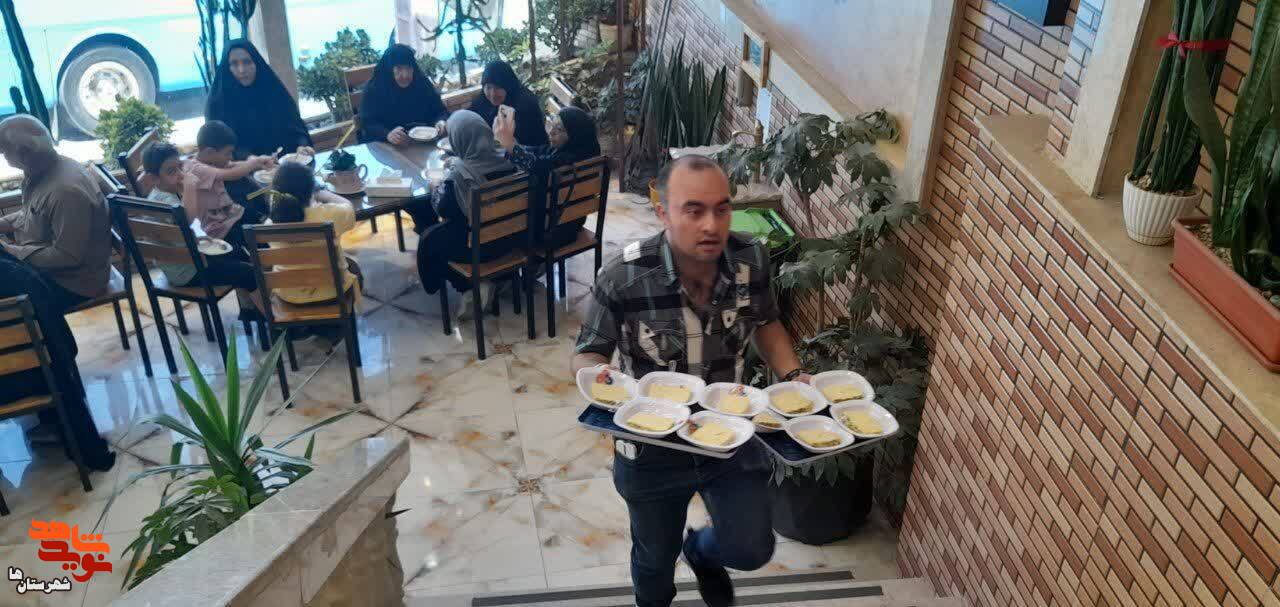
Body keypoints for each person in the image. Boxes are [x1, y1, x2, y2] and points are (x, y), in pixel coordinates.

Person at [571, 155, 814, 607]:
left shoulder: (751, 258)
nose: (711, 225)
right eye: (694, 210)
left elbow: (767, 322)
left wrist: (794, 375)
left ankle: (701, 552)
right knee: (653, 561)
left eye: (722, 209)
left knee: (751, 548)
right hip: (651, 449)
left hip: (730, 437)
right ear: (663, 212)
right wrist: (597, 375)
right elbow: (589, 351)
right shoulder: (623, 276)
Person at [0, 250, 115, 472]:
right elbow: (65, 346)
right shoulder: (15, 274)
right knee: (53, 366)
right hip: (38, 377)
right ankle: (62, 430)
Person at [0, 115, 111, 313]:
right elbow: (31, 214)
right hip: (55, 271)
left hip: (76, 284)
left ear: (23, 154)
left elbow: (68, 256)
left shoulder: (66, 191)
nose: (4, 157)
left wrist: (14, 252)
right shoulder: (42, 170)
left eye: (4, 152)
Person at [142, 142, 262, 319]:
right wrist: (190, 189)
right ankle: (273, 321)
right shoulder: (165, 203)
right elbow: (189, 222)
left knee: (238, 252)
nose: (180, 174)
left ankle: (249, 311)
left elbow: (190, 228)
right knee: (248, 273)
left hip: (188, 260)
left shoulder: (164, 193)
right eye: (171, 171)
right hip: (187, 272)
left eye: (180, 167)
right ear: (154, 179)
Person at [415, 110, 517, 318]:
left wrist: (436, 188)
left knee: (429, 241)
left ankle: (469, 285)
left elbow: (443, 209)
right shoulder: (509, 158)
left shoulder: (459, 177)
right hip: (511, 239)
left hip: (480, 248)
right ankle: (503, 277)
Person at [495, 105, 600, 248]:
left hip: (551, 232)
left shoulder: (568, 160)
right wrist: (511, 145)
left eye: (560, 129)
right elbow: (537, 152)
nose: (551, 132)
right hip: (570, 222)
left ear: (575, 134)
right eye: (553, 125)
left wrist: (510, 146)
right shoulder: (582, 151)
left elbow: (536, 164)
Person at [267, 163, 360, 305]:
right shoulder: (329, 215)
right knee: (353, 268)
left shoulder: (269, 224)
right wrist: (323, 193)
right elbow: (348, 206)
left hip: (288, 295)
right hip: (332, 293)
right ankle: (347, 317)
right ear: (310, 190)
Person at [205, 39, 315, 160]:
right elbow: (219, 145)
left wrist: (302, 146)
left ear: (256, 63)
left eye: (247, 62)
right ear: (227, 67)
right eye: (234, 64)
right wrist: (250, 160)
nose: (242, 70)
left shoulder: (273, 91)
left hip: (286, 164)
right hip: (241, 168)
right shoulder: (218, 102)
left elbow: (296, 127)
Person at [185, 120, 276, 250]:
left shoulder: (207, 159)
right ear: (210, 152)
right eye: (228, 153)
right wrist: (253, 163)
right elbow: (231, 174)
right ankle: (266, 254)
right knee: (256, 236)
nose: (231, 157)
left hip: (230, 215)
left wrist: (259, 161)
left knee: (259, 221)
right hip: (219, 228)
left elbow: (232, 165)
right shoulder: (196, 169)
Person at [360, 44, 448, 146]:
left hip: (422, 144)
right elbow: (368, 123)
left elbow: (440, 110)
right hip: (387, 146)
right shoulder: (374, 88)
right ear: (389, 69)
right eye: (399, 68)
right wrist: (387, 134)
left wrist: (441, 121)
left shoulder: (422, 82)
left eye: (409, 68)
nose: (405, 75)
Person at [468, 61, 549, 147]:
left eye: (498, 87)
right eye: (488, 87)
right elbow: (469, 117)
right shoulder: (483, 99)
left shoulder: (525, 105)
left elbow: (527, 145)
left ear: (508, 86)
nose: (493, 94)